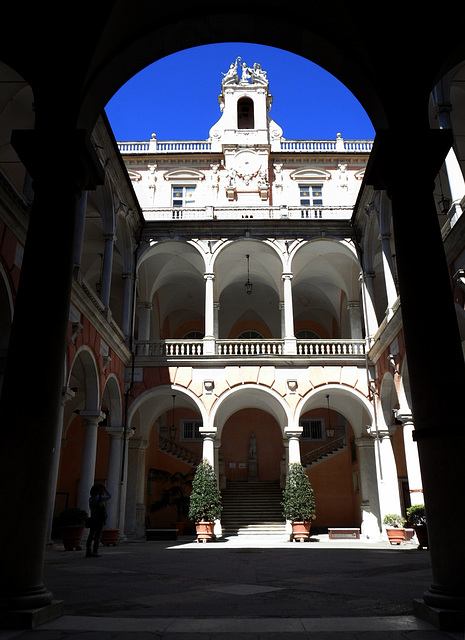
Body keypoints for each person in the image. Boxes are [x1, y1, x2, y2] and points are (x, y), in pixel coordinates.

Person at [86, 483, 111, 558]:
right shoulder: (98, 498)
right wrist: (105, 489)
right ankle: (95, 551)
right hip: (99, 519)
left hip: (93, 518)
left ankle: (88, 551)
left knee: (90, 535)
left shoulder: (91, 499)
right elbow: (109, 496)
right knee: (97, 536)